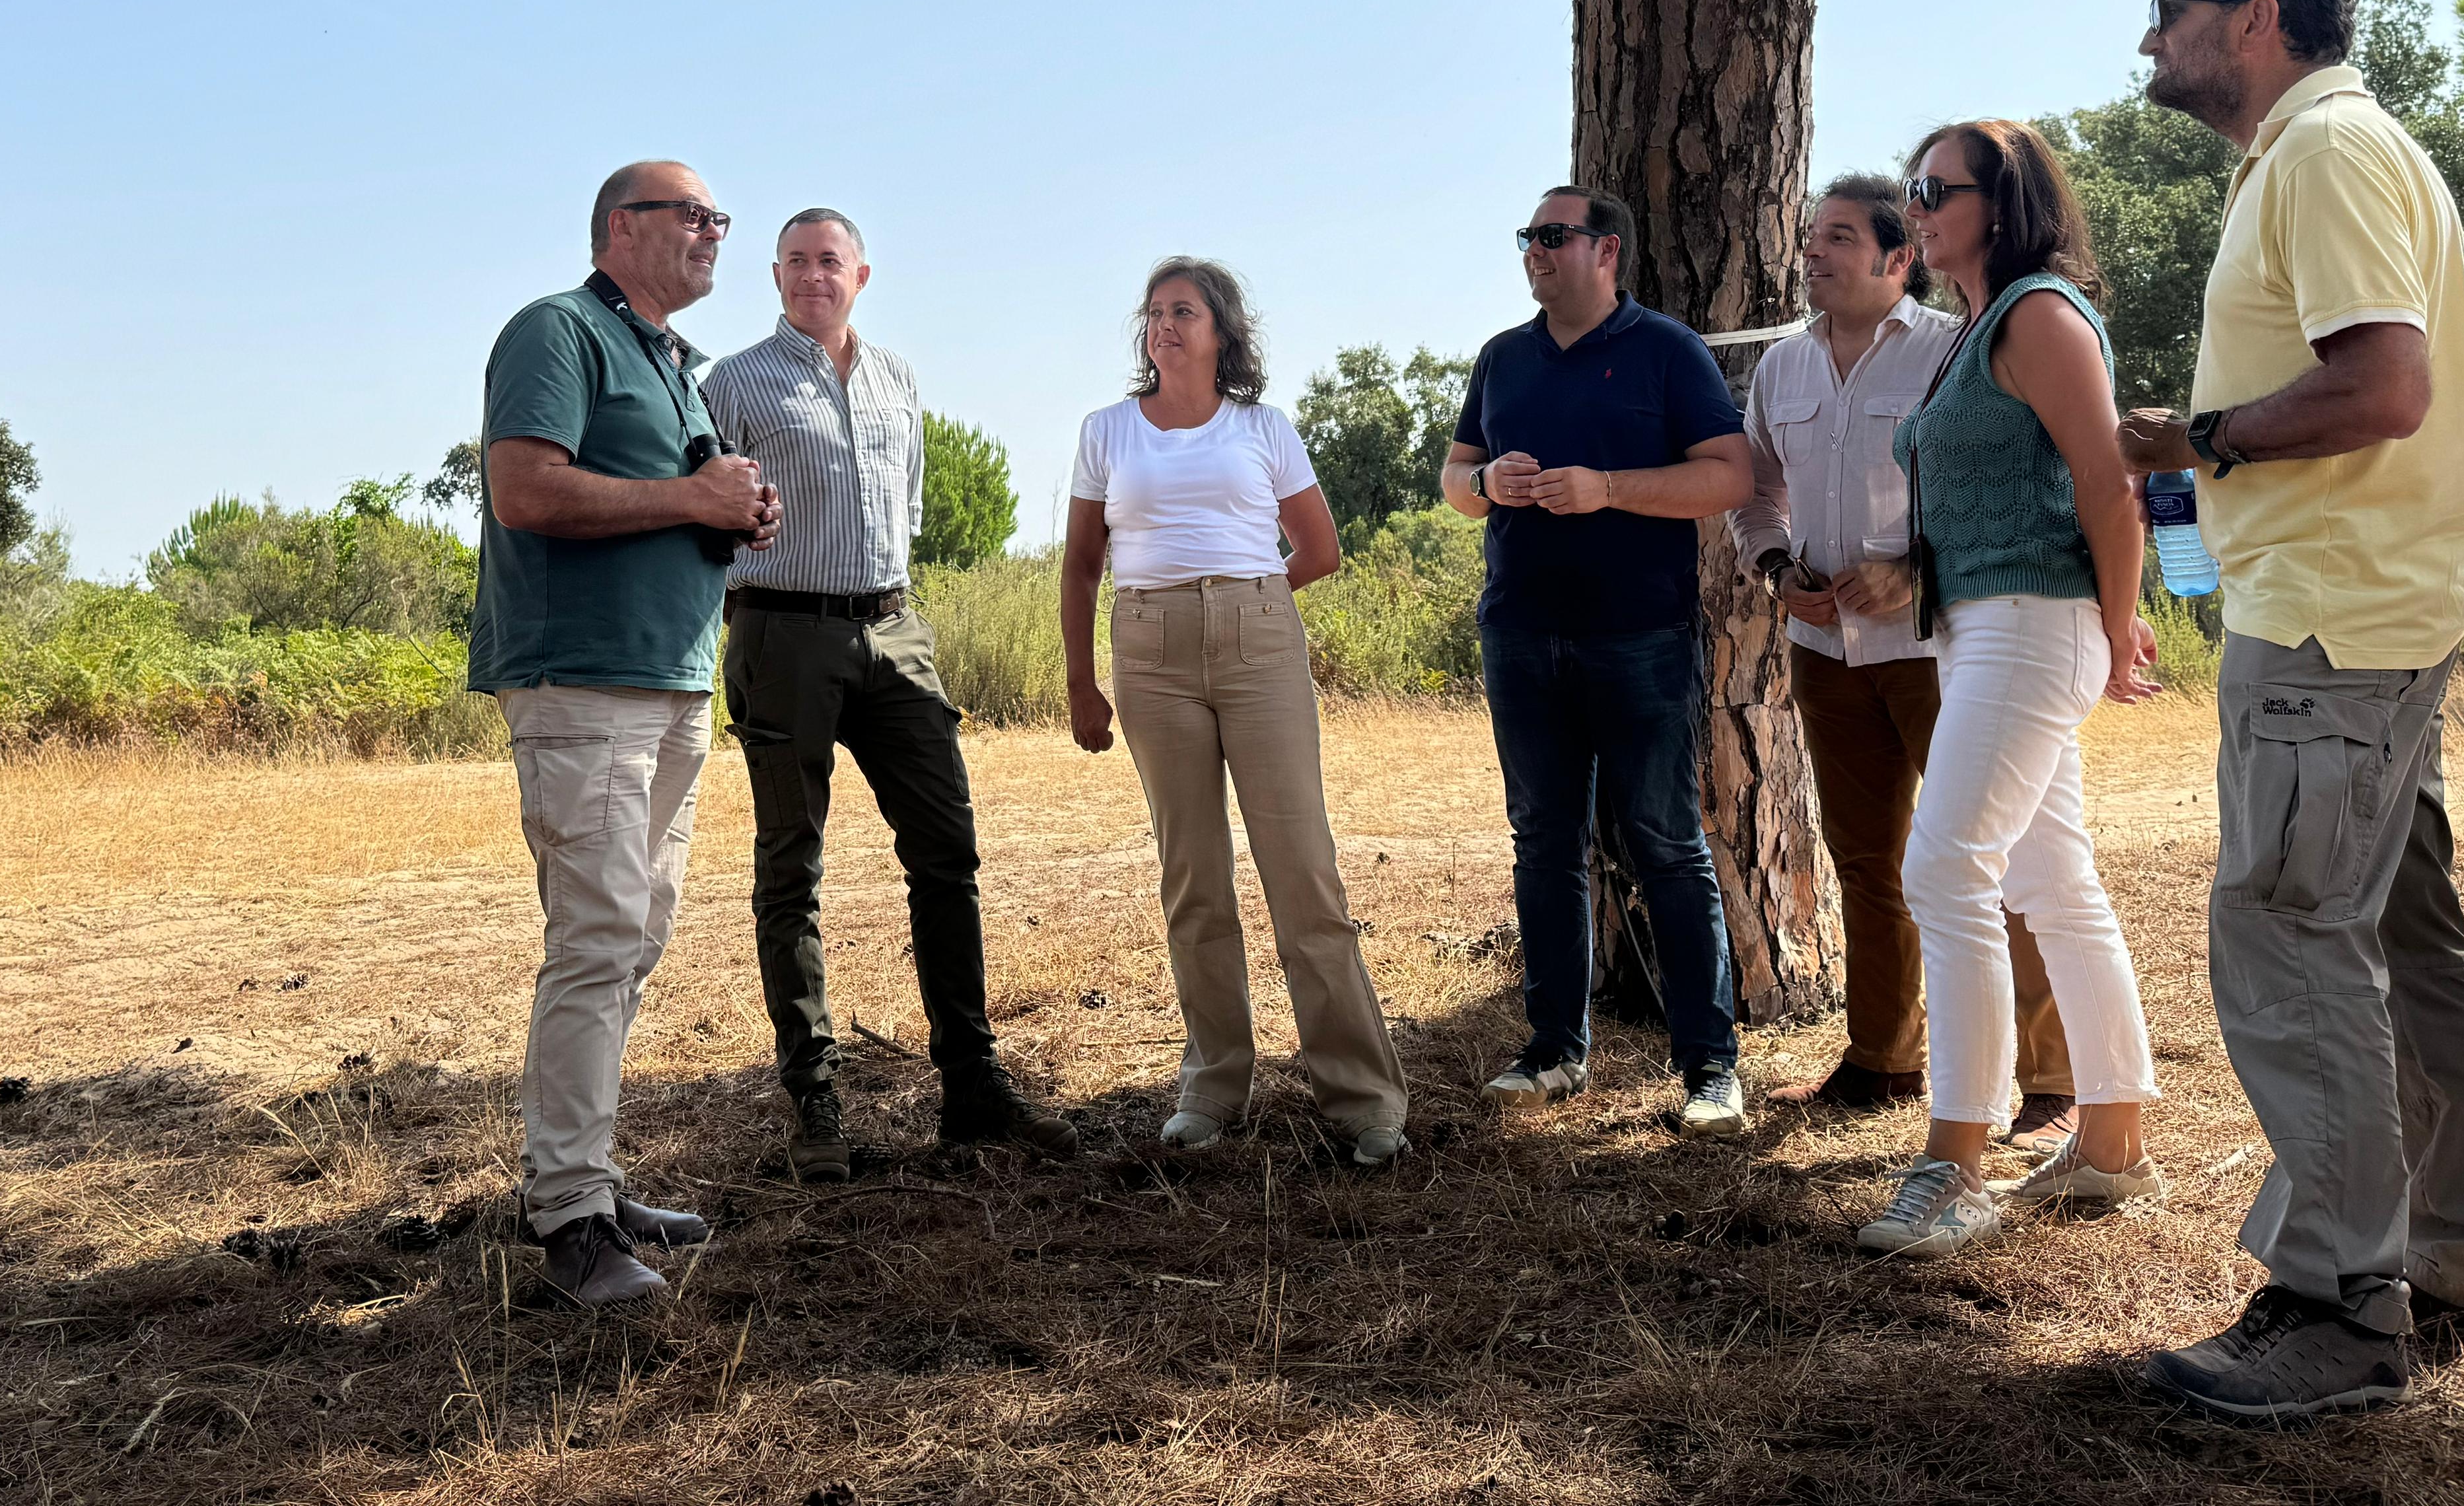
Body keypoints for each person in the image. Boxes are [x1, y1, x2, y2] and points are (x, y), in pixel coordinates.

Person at [2121, 0, 2464, 1420]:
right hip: (2365, 615)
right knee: (2403, 944)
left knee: (2290, 937)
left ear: (2254, 20)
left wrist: (2201, 441)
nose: (2147, 38)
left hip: (2332, 627)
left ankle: (2338, 1311)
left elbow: (2382, 385)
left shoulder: (2324, 153)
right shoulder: (2314, 158)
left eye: (2168, 10)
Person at [703, 209, 1076, 1179]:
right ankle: (815, 1101)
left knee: (947, 853)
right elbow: (703, 514)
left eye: (830, 262)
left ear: (861, 274)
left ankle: (973, 1084)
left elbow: (902, 507)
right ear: (775, 275)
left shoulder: (899, 378)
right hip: (782, 632)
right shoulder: (733, 382)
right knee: (794, 868)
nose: (812, 277)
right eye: (795, 263)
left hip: (894, 628)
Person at [1847, 123, 2162, 1259]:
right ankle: (2113, 1142)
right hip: (1976, 623)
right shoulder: (1977, 326)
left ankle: (1956, 1163)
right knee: (2051, 877)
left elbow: (2107, 481)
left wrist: (2120, 629)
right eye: (1912, 189)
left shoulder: (2039, 312)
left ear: (2003, 198)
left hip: (2034, 624)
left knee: (1944, 867)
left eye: (1938, 190)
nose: (1918, 209)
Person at [471, 160, 779, 1307]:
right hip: (584, 683)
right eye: (692, 216)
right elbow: (526, 492)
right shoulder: (557, 333)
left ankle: (588, 1182)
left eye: (719, 219)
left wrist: (735, 511)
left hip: (672, 685)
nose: (714, 234)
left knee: (631, 938)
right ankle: (569, 1222)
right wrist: (693, 502)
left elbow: (676, 496)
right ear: (620, 227)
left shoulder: (672, 362)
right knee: (597, 939)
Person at [1731, 174, 2076, 1138]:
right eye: (1809, 239)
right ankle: (1883, 1059)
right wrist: (1772, 565)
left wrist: (1915, 568)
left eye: (1837, 238)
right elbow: (1754, 492)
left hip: (1940, 644)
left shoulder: (1955, 352)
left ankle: (2051, 1082)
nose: (1813, 254)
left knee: (1994, 856)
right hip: (1821, 647)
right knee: (1866, 858)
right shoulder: (1780, 372)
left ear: (1899, 259)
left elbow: (2004, 485)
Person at [1059, 258, 1410, 1168]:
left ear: (1221, 331)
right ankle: (1213, 1085)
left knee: (1303, 872)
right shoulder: (1106, 431)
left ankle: (1364, 1098)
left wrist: (1248, 598)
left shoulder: (1264, 427)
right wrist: (1080, 679)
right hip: (1148, 649)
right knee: (1193, 878)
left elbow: (1320, 549)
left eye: (1185, 311)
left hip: (1259, 641)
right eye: (1155, 312)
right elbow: (1080, 567)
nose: (1166, 324)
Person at [1437, 186, 1757, 1138]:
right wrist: (1485, 482)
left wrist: (1608, 489)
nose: (1533, 252)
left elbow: (1730, 477)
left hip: (1642, 639)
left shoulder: (1668, 351)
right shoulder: (1502, 359)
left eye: (1551, 237)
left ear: (1605, 250)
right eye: (1526, 239)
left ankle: (1710, 1069)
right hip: (1521, 634)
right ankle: (1553, 1053)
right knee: (1544, 843)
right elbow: (1454, 479)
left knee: (1665, 843)